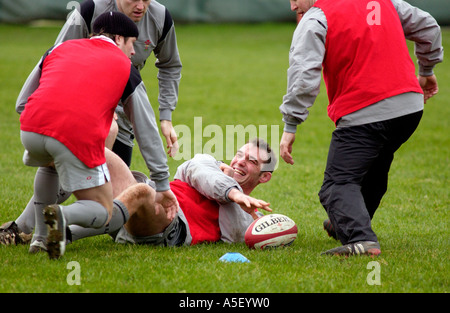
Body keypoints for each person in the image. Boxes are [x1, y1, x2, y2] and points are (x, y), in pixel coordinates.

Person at [279, 0, 443, 256]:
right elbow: (429, 26)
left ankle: (361, 239)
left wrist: (291, 123)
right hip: (410, 109)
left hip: (365, 110)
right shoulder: (385, 2)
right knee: (372, 173)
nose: (292, 7)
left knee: (337, 185)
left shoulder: (317, 17)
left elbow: (303, 74)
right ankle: (342, 223)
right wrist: (427, 69)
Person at [17, 12, 178, 260]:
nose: (134, 52)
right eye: (132, 43)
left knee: (50, 165)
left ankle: (40, 238)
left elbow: (21, 102)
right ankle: (63, 216)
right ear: (118, 38)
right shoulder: (126, 68)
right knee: (104, 210)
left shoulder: (58, 49)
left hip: (30, 130)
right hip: (73, 137)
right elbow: (146, 131)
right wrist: (162, 183)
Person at [2, 139, 275, 247]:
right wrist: (234, 194)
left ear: (264, 177)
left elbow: (236, 236)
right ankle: (23, 229)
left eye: (251, 161)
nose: (240, 162)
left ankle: (61, 223)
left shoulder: (251, 218)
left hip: (171, 227)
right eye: (240, 155)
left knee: (142, 192)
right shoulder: (209, 165)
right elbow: (196, 170)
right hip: (153, 199)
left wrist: (242, 205)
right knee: (87, 151)